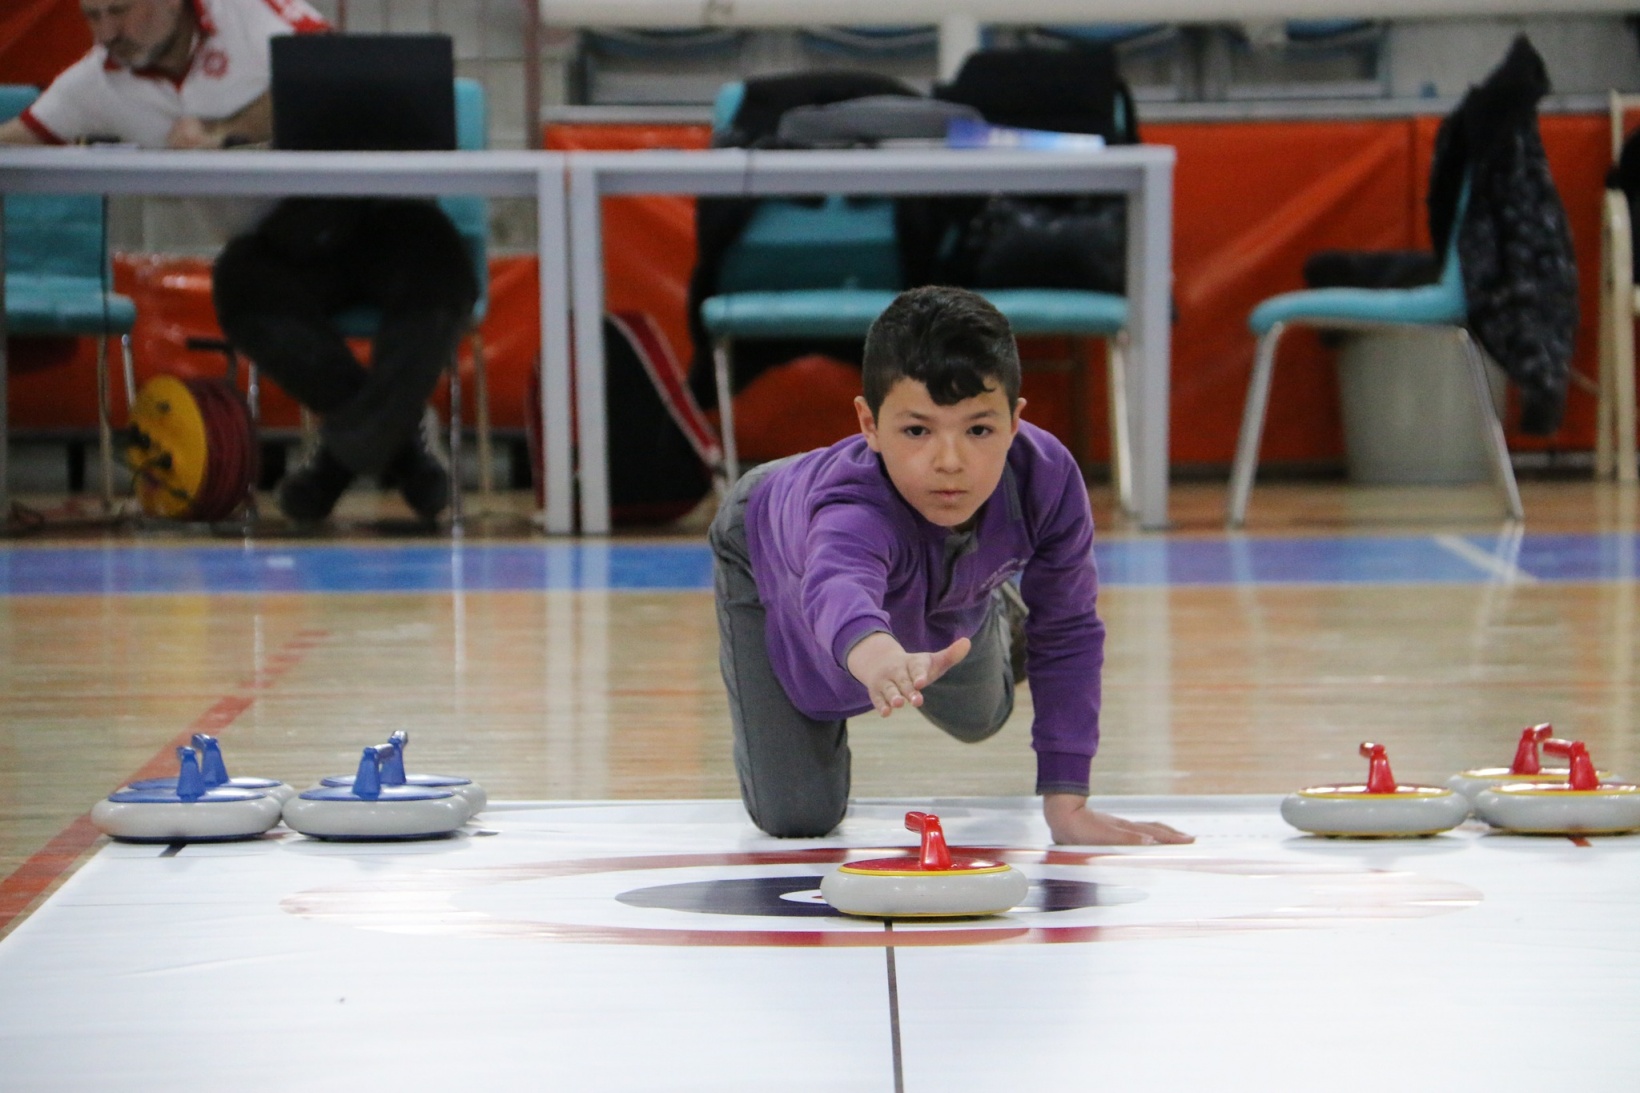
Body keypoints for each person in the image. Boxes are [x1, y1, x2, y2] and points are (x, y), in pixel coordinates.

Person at [709, 285, 1193, 846]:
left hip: (910, 572)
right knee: (796, 816)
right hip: (771, 541)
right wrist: (876, 655)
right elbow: (834, 587)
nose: (950, 462)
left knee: (981, 716)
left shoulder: (1047, 477)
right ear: (869, 424)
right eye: (917, 430)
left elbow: (1069, 627)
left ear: (1015, 422)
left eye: (978, 430)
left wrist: (1068, 803)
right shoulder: (851, 509)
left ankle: (983, 598)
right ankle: (955, 598)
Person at [1, 0, 476, 524]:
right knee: (240, 287)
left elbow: (330, 72)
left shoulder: (250, 13)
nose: (107, 32)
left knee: (440, 267)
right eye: (92, 17)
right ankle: (401, 452)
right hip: (280, 245)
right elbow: (20, 138)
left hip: (374, 213)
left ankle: (338, 466)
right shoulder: (91, 83)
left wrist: (222, 130)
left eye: (120, 11)